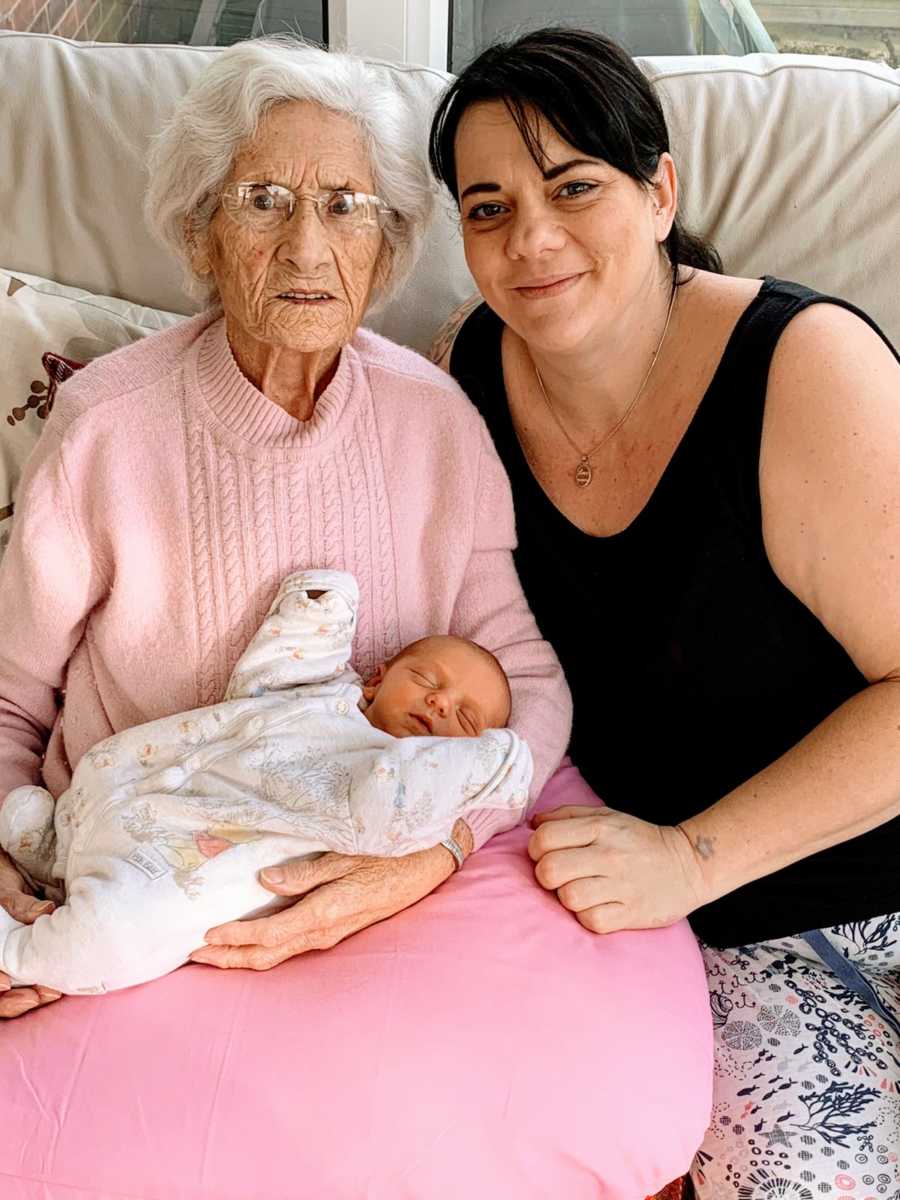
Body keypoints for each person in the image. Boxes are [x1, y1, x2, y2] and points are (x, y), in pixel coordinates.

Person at [0, 35, 571, 1019]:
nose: (308, 248)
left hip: (373, 896)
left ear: (386, 246)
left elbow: (531, 686)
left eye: (345, 207)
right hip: (121, 893)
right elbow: (9, 703)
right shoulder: (107, 424)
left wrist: (438, 852)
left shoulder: (439, 424)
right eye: (264, 200)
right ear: (202, 234)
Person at [428, 27, 900, 1196]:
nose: (530, 238)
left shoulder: (806, 368)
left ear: (659, 192)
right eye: (488, 209)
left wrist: (691, 858)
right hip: (726, 940)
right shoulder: (464, 374)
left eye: (573, 186)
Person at [0, 569, 531, 996]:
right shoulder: (327, 692)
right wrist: (323, 605)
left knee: (116, 932)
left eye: (464, 720)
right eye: (426, 680)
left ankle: (21, 953)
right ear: (377, 677)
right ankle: (53, 852)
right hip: (125, 787)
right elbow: (269, 676)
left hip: (167, 863)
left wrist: (496, 763)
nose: (439, 702)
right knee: (44, 801)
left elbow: (401, 798)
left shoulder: (394, 790)